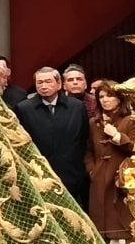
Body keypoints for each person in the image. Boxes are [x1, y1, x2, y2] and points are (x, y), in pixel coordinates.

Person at [17, 67, 92, 210]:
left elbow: (84, 137)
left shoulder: (76, 107)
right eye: (40, 83)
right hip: (41, 174)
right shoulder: (24, 108)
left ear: (59, 84)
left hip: (73, 173)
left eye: (48, 82)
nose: (44, 86)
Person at [85, 80, 135, 241]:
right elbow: (89, 150)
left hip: (119, 177)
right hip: (99, 176)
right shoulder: (94, 122)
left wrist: (117, 137)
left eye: (110, 96)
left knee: (119, 218)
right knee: (100, 219)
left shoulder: (130, 120)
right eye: (101, 96)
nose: (105, 100)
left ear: (119, 98)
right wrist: (92, 170)